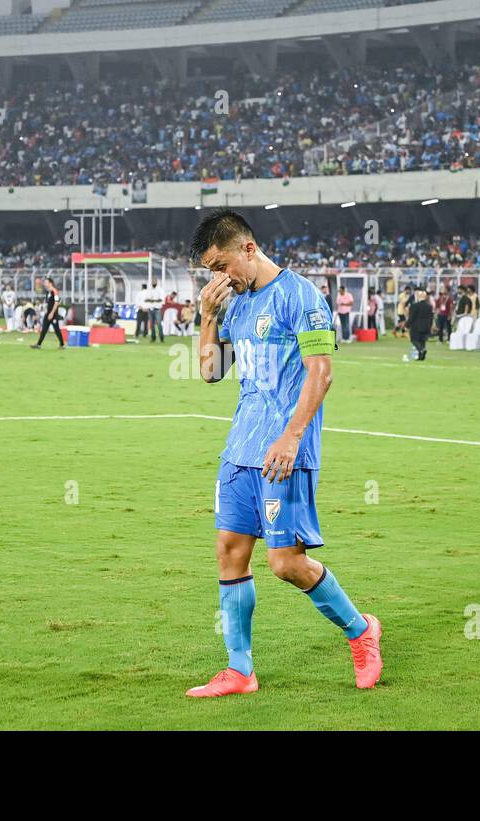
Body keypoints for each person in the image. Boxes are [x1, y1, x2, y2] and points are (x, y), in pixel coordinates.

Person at [189, 208, 381, 698]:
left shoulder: (302, 296)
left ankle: (361, 631)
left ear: (247, 249)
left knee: (285, 563)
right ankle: (239, 670)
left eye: (221, 266)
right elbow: (212, 372)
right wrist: (207, 318)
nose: (219, 278)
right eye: (210, 272)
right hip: (240, 449)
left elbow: (321, 372)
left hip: (284, 451)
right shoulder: (234, 304)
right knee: (229, 553)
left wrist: (293, 435)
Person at [30, 277, 64, 349]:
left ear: (50, 283)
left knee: (56, 329)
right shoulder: (47, 292)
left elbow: (56, 303)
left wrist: (52, 313)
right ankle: (38, 344)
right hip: (48, 313)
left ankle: (62, 344)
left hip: (53, 314)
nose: (44, 284)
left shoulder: (54, 291)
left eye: (46, 282)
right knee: (44, 329)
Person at [408, 286, 434, 360]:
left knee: (414, 340)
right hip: (426, 326)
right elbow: (431, 317)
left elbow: (412, 317)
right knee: (422, 341)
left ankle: (421, 350)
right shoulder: (429, 306)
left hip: (416, 326)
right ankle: (421, 356)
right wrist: (430, 325)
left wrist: (407, 325)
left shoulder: (415, 306)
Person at [147, 278, 165, 342]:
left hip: (157, 309)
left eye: (154, 281)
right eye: (152, 281)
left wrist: (153, 300)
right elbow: (147, 299)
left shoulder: (160, 290)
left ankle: (161, 337)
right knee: (151, 324)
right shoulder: (149, 290)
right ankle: (153, 337)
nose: (153, 282)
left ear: (157, 282)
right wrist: (150, 300)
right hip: (150, 308)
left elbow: (162, 299)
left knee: (159, 324)